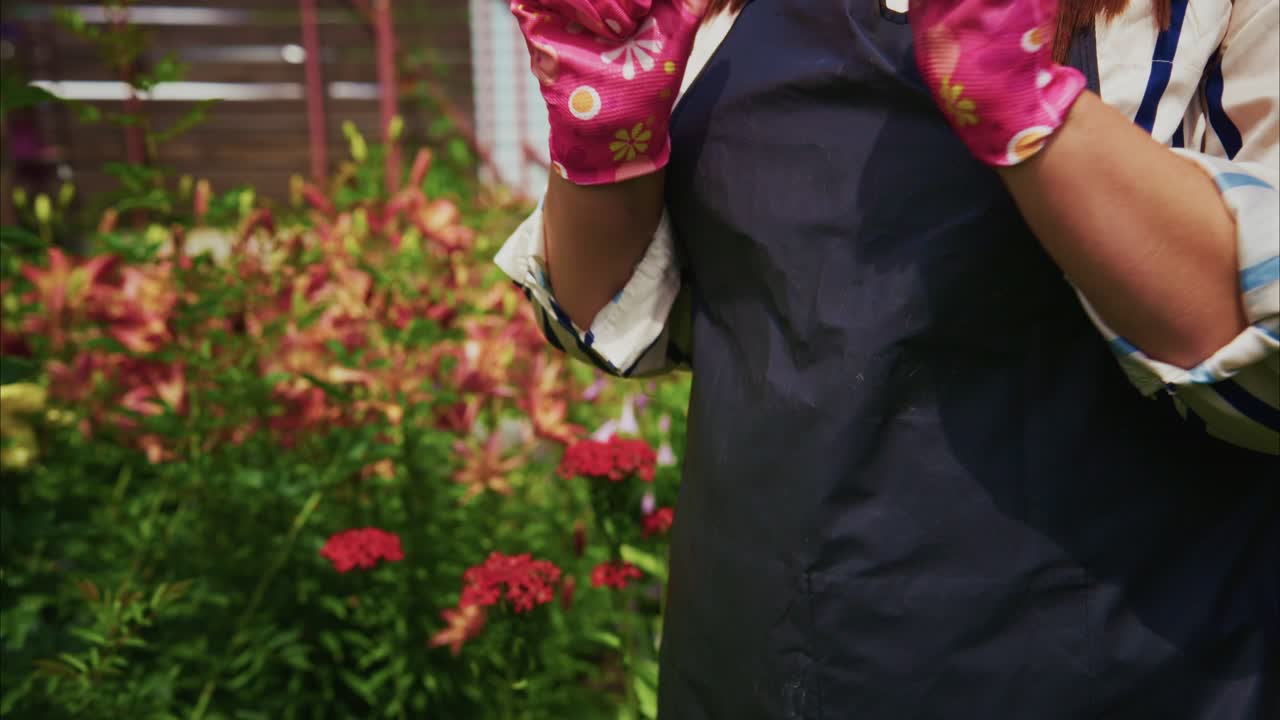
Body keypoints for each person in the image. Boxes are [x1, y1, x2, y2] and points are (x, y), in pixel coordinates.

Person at [496, 0, 1279, 716]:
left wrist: (1027, 104)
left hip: (1111, 673)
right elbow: (606, 312)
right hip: (746, 669)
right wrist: (606, 126)